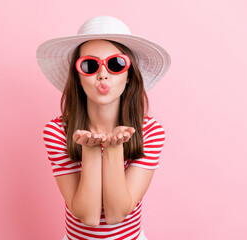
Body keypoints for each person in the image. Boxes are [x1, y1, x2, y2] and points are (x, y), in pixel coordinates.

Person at [37, 16, 171, 240]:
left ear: (129, 76)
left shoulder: (150, 132)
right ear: (78, 77)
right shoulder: (57, 131)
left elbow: (116, 214)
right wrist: (90, 150)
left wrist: (113, 149)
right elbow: (88, 217)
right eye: (89, 65)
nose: (103, 74)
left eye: (116, 64)